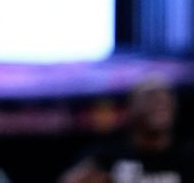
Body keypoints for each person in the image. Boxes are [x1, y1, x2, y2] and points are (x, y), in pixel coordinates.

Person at [58, 77, 194, 183]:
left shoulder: (186, 156)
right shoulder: (107, 157)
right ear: (131, 108)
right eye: (150, 97)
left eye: (165, 99)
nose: (159, 102)